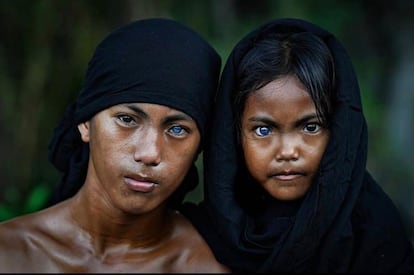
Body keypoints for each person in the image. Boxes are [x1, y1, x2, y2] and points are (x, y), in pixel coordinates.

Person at [180, 18, 414, 273]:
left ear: (338, 130)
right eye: (263, 130)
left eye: (310, 127)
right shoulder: (199, 236)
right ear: (234, 135)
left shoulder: (374, 233)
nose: (288, 152)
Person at [0, 18, 230, 273]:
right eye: (127, 120)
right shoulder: (9, 254)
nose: (149, 153)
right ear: (86, 123)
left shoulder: (206, 265)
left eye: (177, 129)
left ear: (199, 146)